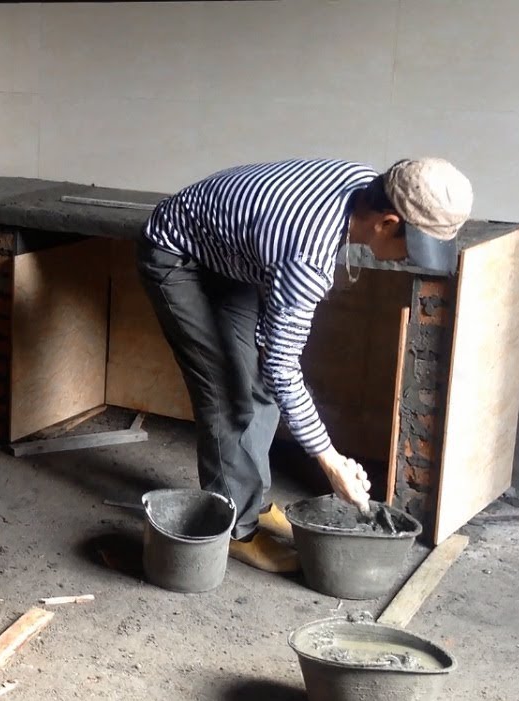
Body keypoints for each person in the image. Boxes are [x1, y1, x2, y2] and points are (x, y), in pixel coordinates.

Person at [138, 157, 473, 573]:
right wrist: (330, 460)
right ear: (387, 223)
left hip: (229, 254)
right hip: (176, 253)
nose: (407, 259)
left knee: (259, 386)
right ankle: (235, 529)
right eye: (412, 247)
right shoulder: (307, 257)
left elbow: (274, 366)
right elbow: (282, 365)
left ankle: (250, 504)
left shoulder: (367, 182)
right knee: (226, 394)